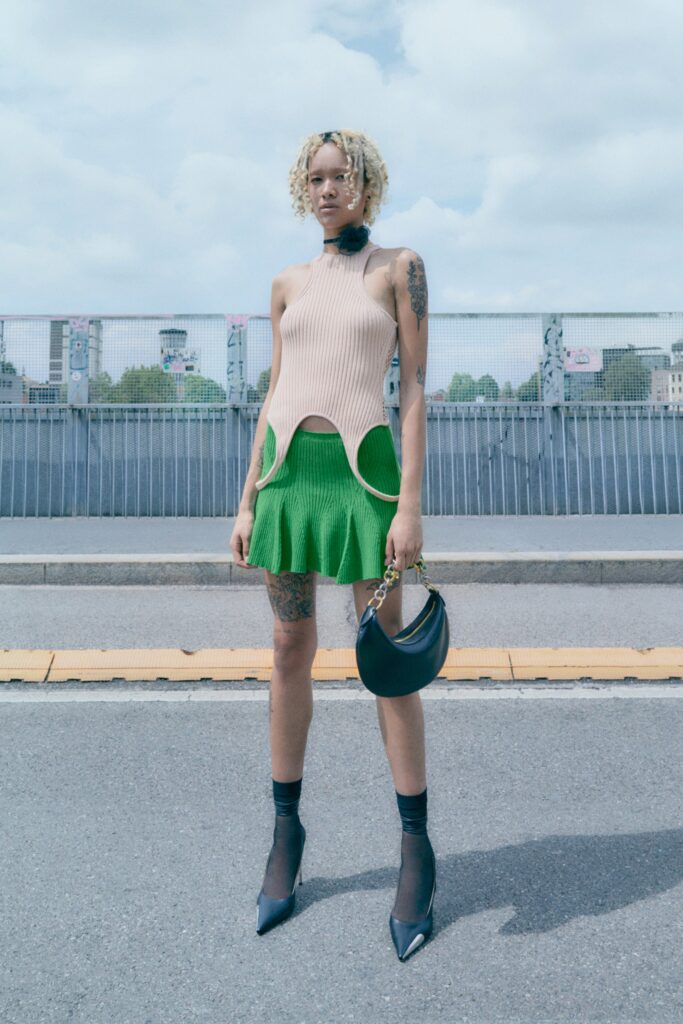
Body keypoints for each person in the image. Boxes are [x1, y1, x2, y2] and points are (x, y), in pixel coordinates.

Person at [230, 128, 435, 961]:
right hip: (287, 477)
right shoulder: (287, 282)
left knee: (383, 658)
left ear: (365, 183)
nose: (325, 188)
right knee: (288, 647)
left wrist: (409, 506)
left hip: (366, 481)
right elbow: (275, 390)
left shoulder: (398, 268)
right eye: (313, 178)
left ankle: (415, 845)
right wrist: (246, 499)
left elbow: (413, 387)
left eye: (339, 175)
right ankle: (286, 831)